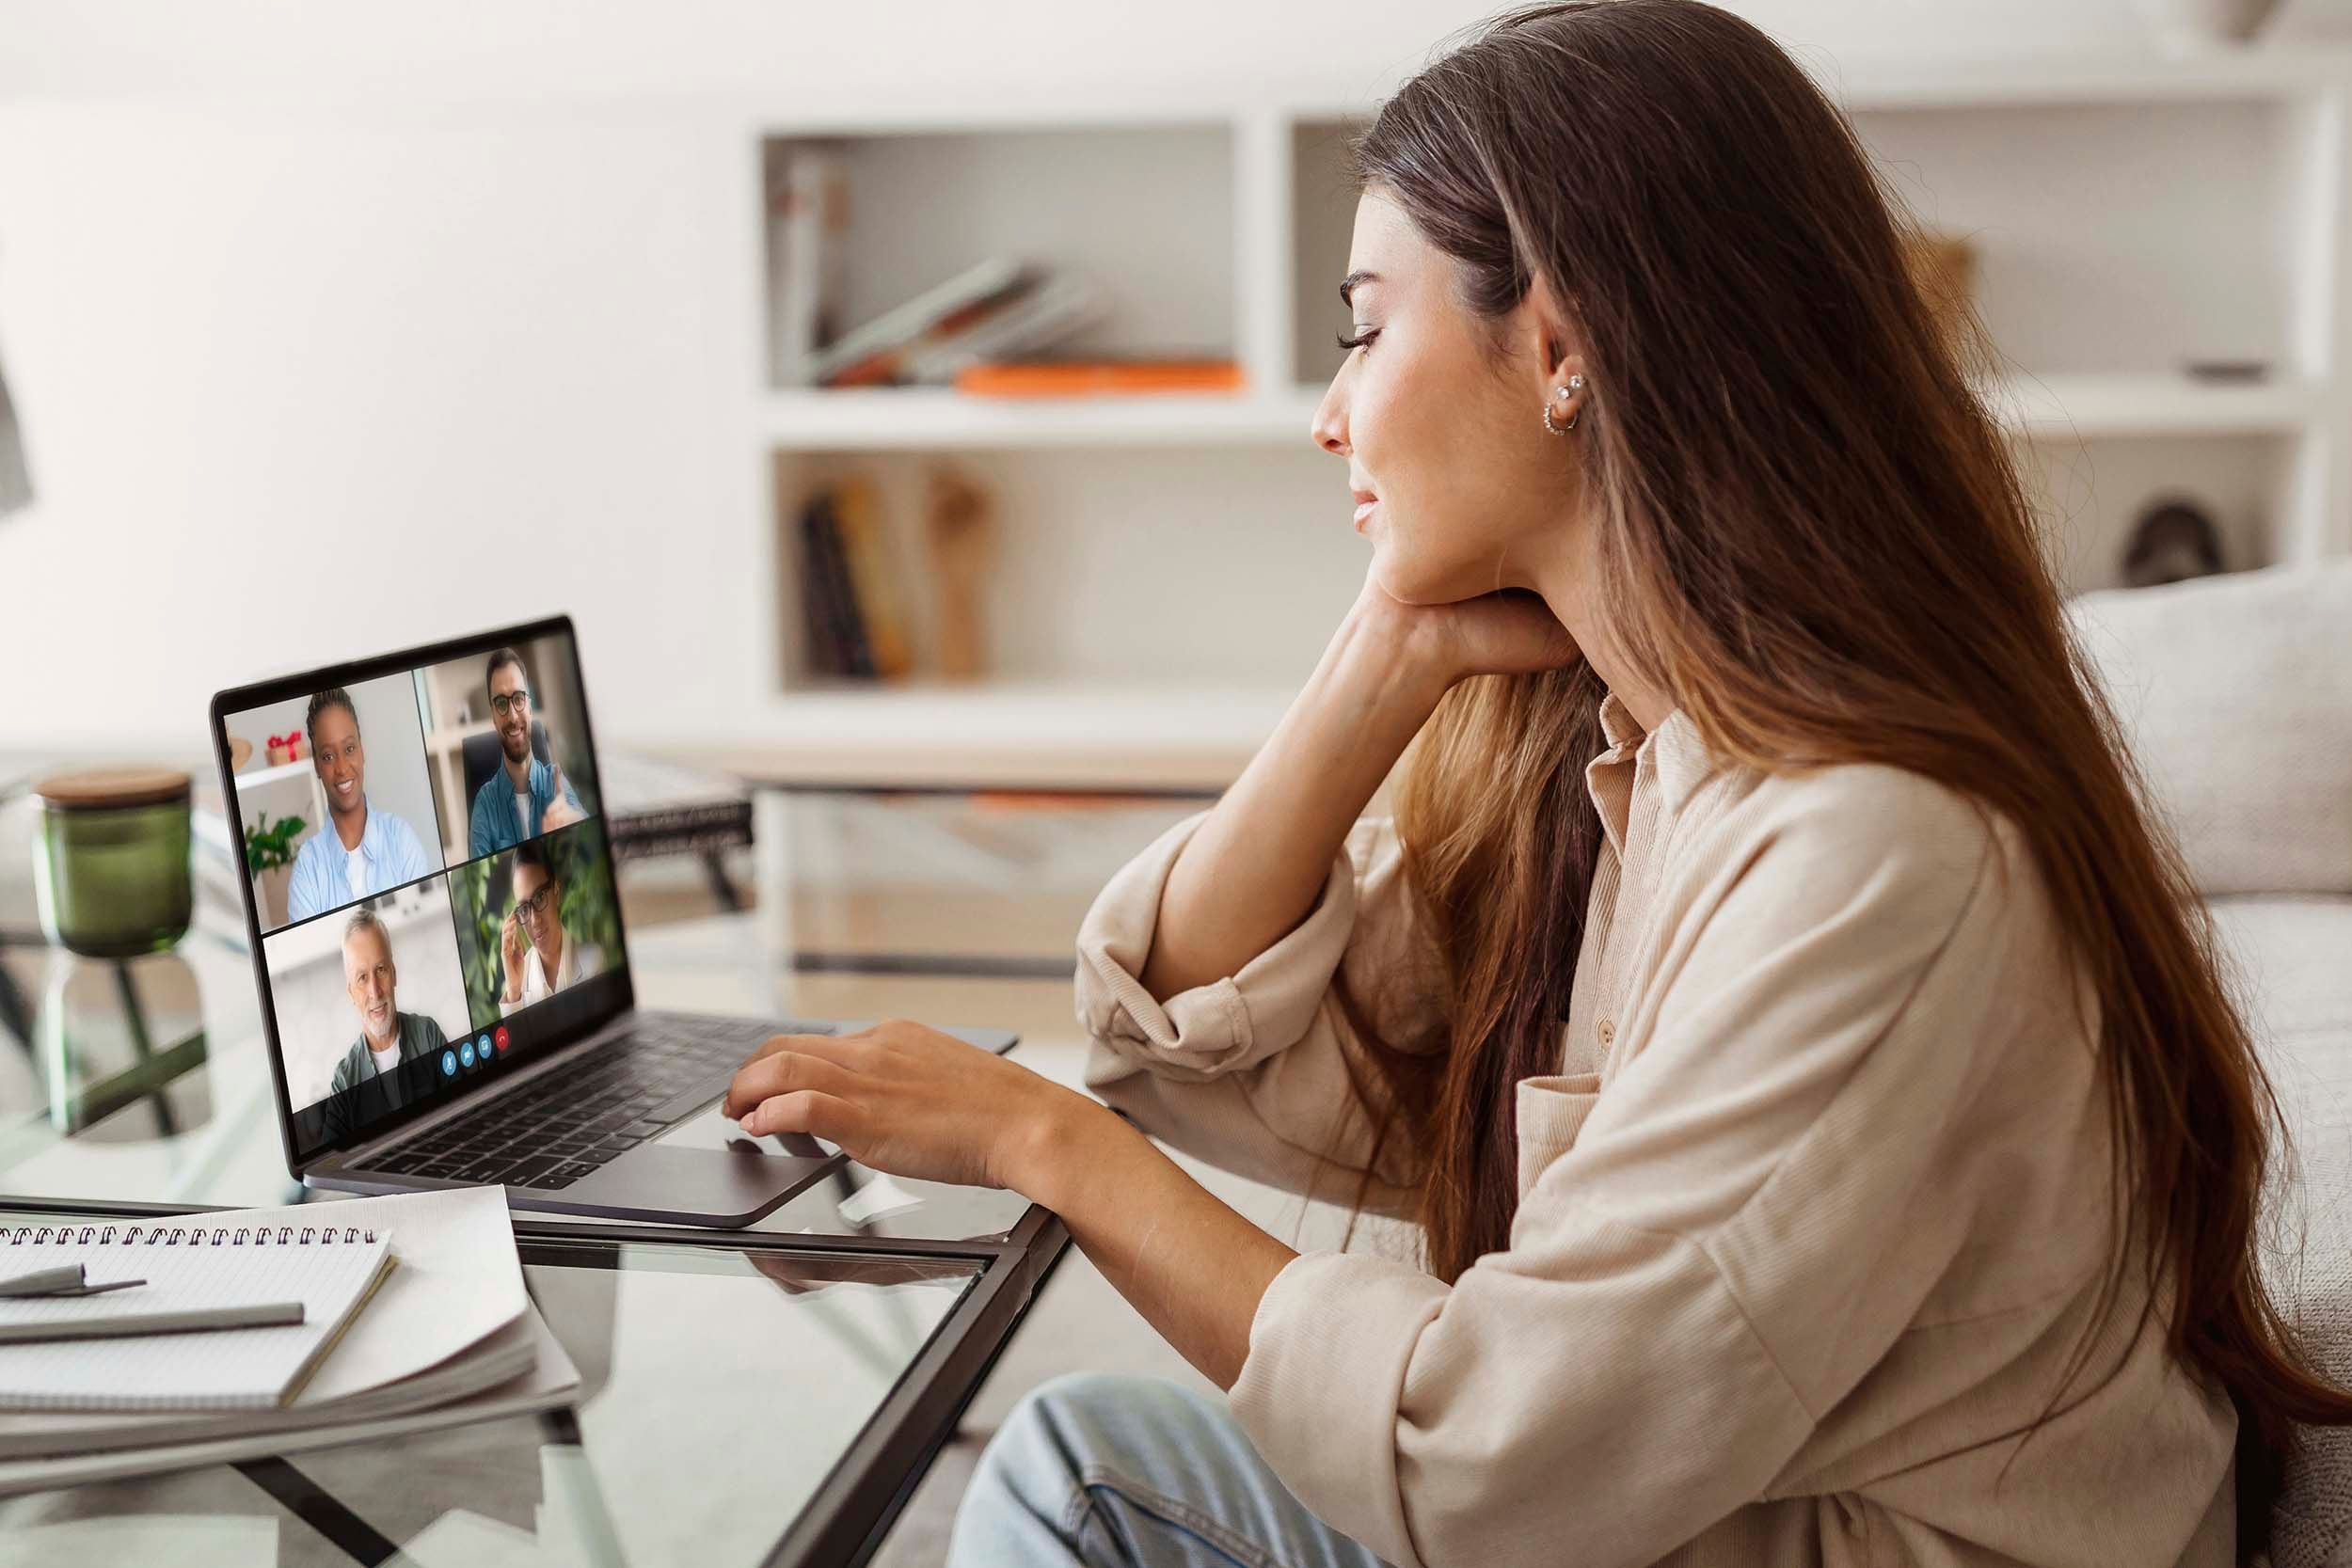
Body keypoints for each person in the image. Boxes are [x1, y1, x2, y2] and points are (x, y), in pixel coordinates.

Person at [720, 6, 2352, 1566]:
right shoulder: (1649, 765)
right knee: (1090, 1461)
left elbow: (1483, 1455)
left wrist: (1037, 1142)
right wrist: (1385, 661)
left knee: (1088, 1482)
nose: (1334, 413)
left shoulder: (1874, 848)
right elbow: (1202, 1034)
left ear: (1559, 339)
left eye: (1364, 325)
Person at [285, 688, 435, 924]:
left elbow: (430, 929)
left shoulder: (400, 839)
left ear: (362, 751)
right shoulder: (308, 869)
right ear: (316, 765)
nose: (342, 768)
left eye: (349, 749)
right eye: (327, 756)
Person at [468, 647, 584, 857]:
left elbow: (592, 849)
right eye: (501, 703)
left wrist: (575, 824)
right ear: (493, 715)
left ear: (529, 707)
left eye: (519, 698)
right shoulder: (485, 805)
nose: (512, 716)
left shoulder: (554, 782)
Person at [326, 909, 449, 1100]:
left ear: (394, 974)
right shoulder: (344, 1082)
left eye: (381, 970)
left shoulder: (428, 1034)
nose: (375, 992)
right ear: (351, 992)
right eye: (362, 978)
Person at [498, 838, 602, 1014]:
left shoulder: (594, 961)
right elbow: (518, 1041)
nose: (535, 920)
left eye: (539, 897)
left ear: (556, 890)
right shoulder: (516, 987)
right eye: (524, 908)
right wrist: (515, 991)